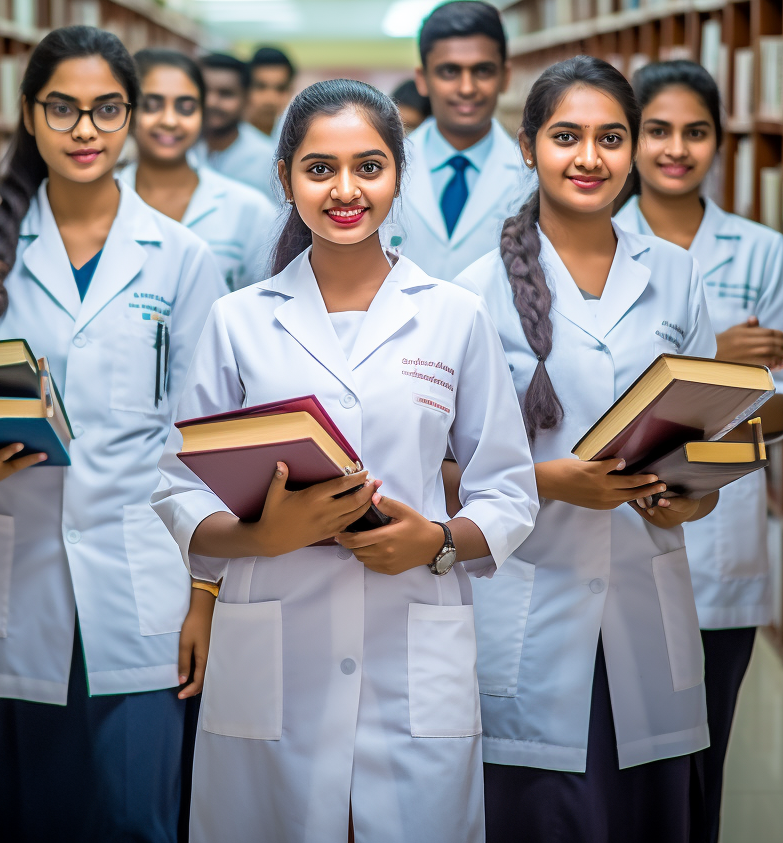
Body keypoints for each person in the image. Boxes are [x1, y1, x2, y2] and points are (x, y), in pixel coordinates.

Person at [151, 79, 540, 843]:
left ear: (398, 174)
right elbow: (178, 486)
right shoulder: (239, 321)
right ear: (288, 179)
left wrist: (435, 542)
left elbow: (508, 491)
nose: (345, 190)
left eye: (369, 166)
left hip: (413, 639)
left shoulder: (454, 316)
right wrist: (259, 538)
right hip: (276, 641)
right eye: (319, 169)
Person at [0, 26, 227, 843]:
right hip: (18, 575)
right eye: (64, 110)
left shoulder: (181, 259)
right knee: (17, 815)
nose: (86, 131)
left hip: (143, 581)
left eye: (107, 109)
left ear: (131, 117)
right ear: (30, 116)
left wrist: (206, 597)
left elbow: (209, 446)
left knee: (137, 817)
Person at [454, 55, 718, 843]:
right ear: (529, 145)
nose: (590, 158)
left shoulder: (674, 276)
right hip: (532, 603)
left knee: (650, 817)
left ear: (634, 150)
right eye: (566, 136)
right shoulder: (473, 293)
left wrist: (693, 491)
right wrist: (550, 481)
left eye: (611, 137)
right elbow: (440, 470)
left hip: (645, 593)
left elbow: (706, 435)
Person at [613, 59, 783, 843]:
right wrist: (717, 368)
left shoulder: (759, 250)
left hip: (718, 542)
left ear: (719, 143)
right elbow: (595, 388)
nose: (675, 148)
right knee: (624, 764)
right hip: (620, 528)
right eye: (657, 130)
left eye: (695, 131)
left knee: (703, 764)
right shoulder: (602, 241)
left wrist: (709, 437)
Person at [119, 48, 279, 291]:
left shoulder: (251, 211)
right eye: (151, 105)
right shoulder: (97, 202)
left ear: (201, 113)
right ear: (126, 110)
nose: (170, 121)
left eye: (186, 107)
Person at [395, 0, 528, 280]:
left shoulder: (531, 177)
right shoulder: (386, 166)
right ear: (422, 79)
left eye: (482, 71)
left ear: (505, 77)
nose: (467, 88)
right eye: (449, 71)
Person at [189, 52, 277, 199]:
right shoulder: (180, 149)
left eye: (225, 94)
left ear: (247, 98)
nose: (210, 102)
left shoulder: (267, 159)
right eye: (204, 92)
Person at [246, 44, 296, 139]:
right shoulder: (222, 140)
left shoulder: (295, 141)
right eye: (261, 86)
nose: (270, 99)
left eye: (280, 88)